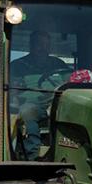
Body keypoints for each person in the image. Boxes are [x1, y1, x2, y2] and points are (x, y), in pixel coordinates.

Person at [9, 31, 71, 159]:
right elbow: (10, 87)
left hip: (59, 102)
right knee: (27, 111)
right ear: (31, 45)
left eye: (46, 45)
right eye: (39, 44)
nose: (42, 48)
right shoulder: (18, 66)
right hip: (33, 104)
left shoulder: (58, 64)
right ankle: (32, 155)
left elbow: (71, 81)